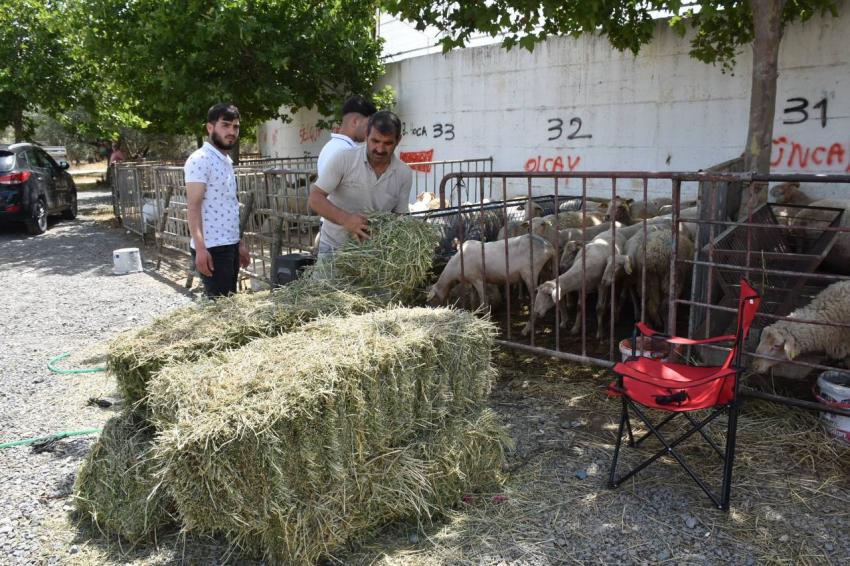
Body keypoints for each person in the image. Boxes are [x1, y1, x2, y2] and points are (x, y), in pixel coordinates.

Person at [308, 110, 412, 262]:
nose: (380, 149)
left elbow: (400, 218)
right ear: (366, 135)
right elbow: (315, 198)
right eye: (375, 141)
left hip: (375, 255)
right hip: (334, 251)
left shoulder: (404, 173)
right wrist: (346, 219)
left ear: (398, 140)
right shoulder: (344, 159)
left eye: (388, 143)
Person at [185, 103, 250, 297]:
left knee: (229, 304)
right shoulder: (200, 159)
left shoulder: (225, 160)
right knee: (219, 309)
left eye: (236, 126)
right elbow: (193, 207)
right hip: (212, 248)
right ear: (210, 127)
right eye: (226, 125)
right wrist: (201, 248)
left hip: (229, 244)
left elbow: (230, 205)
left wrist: (239, 243)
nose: (232, 131)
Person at [316, 95, 377, 177]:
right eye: (368, 124)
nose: (370, 130)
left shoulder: (331, 146)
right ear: (355, 122)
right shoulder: (346, 150)